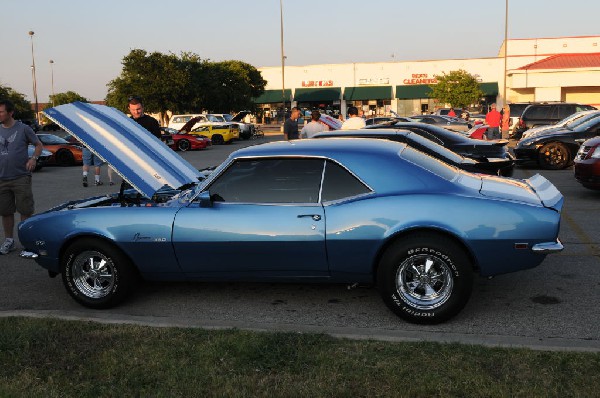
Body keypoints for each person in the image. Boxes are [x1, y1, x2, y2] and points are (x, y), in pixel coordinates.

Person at [0, 99, 43, 255]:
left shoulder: (23, 129)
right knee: (5, 211)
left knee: (25, 210)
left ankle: (26, 242)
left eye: (1, 111)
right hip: (2, 178)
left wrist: (33, 159)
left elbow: (38, 145)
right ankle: (9, 241)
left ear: (10, 112)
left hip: (20, 177)